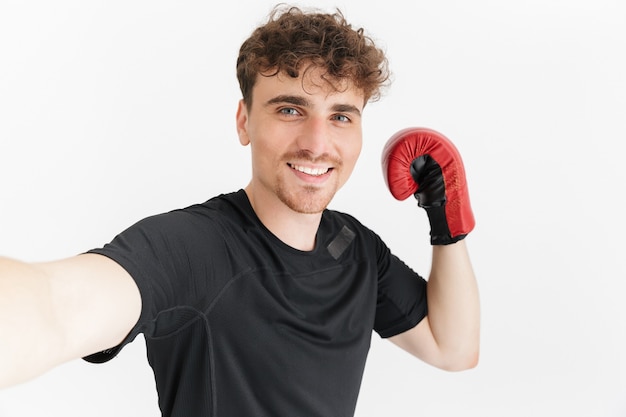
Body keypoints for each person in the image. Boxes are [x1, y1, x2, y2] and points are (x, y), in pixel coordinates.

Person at [0, 5, 480, 416]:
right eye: (290, 110)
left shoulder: (355, 249)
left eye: (339, 116)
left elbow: (453, 348)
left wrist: (447, 219)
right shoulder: (191, 247)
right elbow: (55, 309)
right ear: (244, 121)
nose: (317, 144)